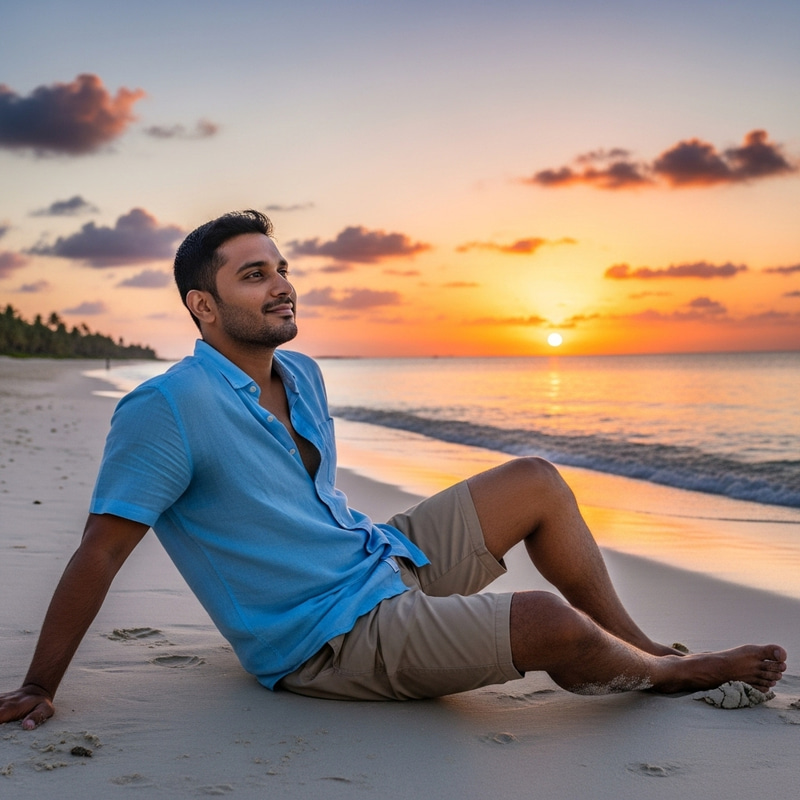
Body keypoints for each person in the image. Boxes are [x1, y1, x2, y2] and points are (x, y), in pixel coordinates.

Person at [0, 210, 786, 730]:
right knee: (543, 621)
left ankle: (644, 646)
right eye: (253, 275)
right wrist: (41, 684)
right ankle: (664, 675)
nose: (281, 283)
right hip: (325, 635)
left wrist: (386, 555)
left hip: (377, 560)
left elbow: (314, 503)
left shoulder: (302, 375)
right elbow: (101, 549)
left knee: (537, 479)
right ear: (203, 309)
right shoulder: (166, 408)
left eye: (279, 267)